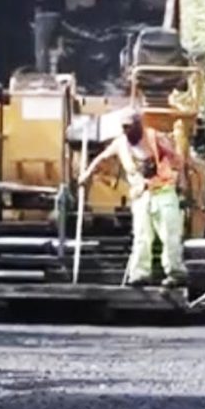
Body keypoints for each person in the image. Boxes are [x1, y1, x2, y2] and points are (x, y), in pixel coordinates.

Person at [79, 110, 187, 287]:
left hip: (163, 192)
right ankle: (140, 274)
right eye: (124, 127)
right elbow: (102, 157)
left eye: (129, 126)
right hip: (141, 196)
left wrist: (175, 175)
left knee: (169, 235)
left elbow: (177, 160)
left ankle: (176, 273)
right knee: (141, 236)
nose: (127, 130)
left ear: (139, 125)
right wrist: (87, 174)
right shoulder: (121, 143)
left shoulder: (155, 138)